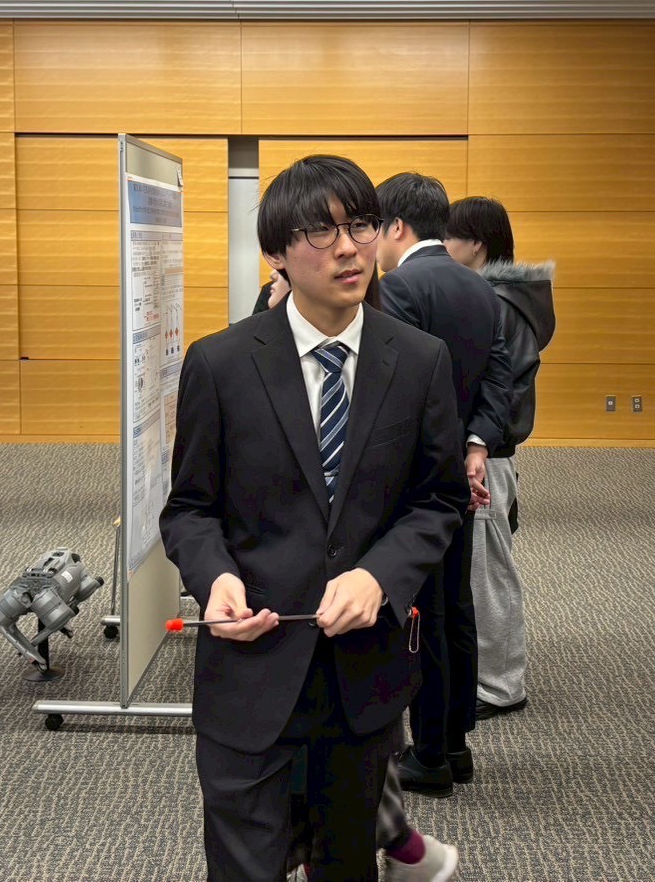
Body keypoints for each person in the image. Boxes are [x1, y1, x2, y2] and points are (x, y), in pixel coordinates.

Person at [160, 155, 469, 881]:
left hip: (362, 677)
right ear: (276, 253)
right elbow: (190, 510)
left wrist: (379, 575)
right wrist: (215, 581)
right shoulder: (220, 364)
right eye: (321, 233)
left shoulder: (418, 361)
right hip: (250, 666)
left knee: (346, 866)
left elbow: (439, 498)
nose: (348, 249)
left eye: (361, 226)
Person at [372, 172, 512, 797]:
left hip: (420, 479)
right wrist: (475, 448)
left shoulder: (398, 288)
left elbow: (404, 391)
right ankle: (456, 745)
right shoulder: (479, 287)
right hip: (461, 472)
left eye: (371, 229)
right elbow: (500, 378)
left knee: (423, 612)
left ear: (396, 227)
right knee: (457, 605)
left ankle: (428, 754)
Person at [444, 196, 555, 719]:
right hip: (488, 452)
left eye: (450, 236)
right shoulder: (500, 297)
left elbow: (499, 391)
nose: (443, 245)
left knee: (488, 573)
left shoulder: (500, 304)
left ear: (476, 245)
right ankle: (487, 674)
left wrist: (477, 445)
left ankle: (501, 686)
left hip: (487, 455)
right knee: (481, 568)